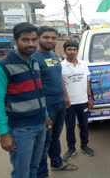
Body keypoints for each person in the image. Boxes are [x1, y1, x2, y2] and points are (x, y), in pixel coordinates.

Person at [0, 22, 51, 178]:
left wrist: (45, 113)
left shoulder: (34, 62)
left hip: (39, 125)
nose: (30, 44)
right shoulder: (1, 67)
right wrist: (4, 134)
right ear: (15, 41)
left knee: (34, 168)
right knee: (21, 173)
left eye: (33, 39)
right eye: (25, 40)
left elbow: (39, 92)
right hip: (21, 129)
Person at [34, 26, 78, 178]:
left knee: (56, 135)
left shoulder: (53, 55)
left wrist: (65, 96)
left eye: (53, 38)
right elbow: (34, 86)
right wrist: (43, 110)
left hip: (59, 103)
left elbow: (58, 77)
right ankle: (41, 173)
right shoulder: (34, 57)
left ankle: (56, 163)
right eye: (46, 37)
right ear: (38, 38)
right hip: (47, 106)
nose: (50, 40)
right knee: (44, 140)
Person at [61, 39, 95, 161]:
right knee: (70, 127)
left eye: (74, 49)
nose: (71, 52)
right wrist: (65, 98)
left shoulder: (83, 64)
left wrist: (89, 97)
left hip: (83, 101)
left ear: (77, 51)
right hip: (69, 103)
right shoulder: (61, 66)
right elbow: (62, 84)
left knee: (84, 125)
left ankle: (84, 146)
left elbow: (87, 81)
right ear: (64, 51)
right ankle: (71, 149)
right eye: (69, 49)